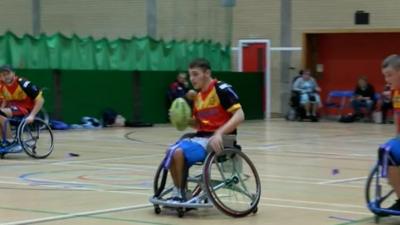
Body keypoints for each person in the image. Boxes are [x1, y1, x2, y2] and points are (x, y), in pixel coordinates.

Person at [164, 58, 245, 202]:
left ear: (207, 73)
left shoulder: (222, 89)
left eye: (195, 74)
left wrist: (219, 133)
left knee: (177, 151)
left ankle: (179, 194)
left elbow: (240, 115)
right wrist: (181, 119)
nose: (192, 79)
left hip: (222, 140)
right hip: (201, 139)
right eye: (190, 75)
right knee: (171, 150)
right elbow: (199, 125)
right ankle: (179, 191)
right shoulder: (198, 97)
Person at [0, 65, 44, 151]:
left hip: (26, 111)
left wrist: (32, 115)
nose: (6, 76)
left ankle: (11, 141)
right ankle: (3, 141)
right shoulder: (2, 87)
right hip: (14, 110)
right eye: (3, 75)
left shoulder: (23, 83)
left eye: (8, 73)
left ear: (14, 73)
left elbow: (40, 100)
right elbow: (5, 100)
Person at [378, 54, 400, 215]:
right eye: (385, 76)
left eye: (389, 75)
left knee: (387, 151)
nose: (387, 79)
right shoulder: (396, 93)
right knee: (386, 150)